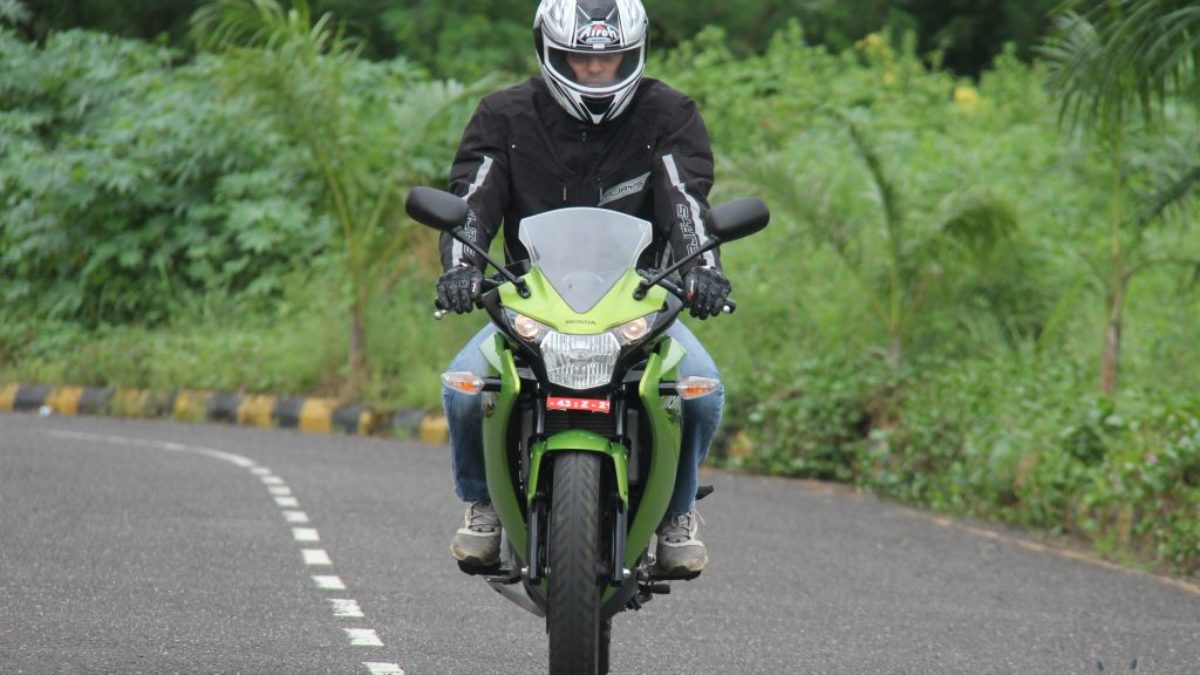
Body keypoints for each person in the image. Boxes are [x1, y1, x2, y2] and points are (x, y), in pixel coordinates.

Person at [438, 0, 732, 576]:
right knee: (467, 392)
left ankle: (676, 512)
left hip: (642, 302)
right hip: (530, 300)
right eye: (580, 59)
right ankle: (482, 502)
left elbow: (686, 198)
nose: (596, 70)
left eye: (610, 58)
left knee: (700, 390)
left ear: (635, 51)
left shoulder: (669, 113)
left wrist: (704, 269)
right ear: (549, 51)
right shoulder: (503, 115)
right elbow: (472, 200)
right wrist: (459, 268)